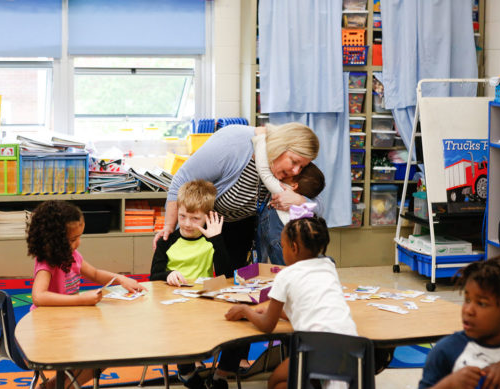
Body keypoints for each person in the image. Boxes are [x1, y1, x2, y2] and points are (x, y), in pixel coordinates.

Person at [153, 122, 320, 386]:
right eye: (295, 162)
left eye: (302, 166)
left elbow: (313, 193)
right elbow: (180, 181)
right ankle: (188, 358)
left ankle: (227, 368)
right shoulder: (234, 143)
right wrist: (170, 231)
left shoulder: (286, 166)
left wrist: (300, 200)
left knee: (234, 292)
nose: (296, 171)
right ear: (282, 146)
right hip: (204, 225)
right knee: (193, 290)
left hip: (242, 229)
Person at [225, 212, 357, 389]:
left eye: (283, 245)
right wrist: (279, 313)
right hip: (353, 348)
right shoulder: (328, 266)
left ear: (294, 247)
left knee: (275, 382)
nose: (282, 250)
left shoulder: (285, 275)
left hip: (316, 349)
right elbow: (311, 308)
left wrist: (245, 311)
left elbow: (267, 326)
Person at [27, 200, 146, 389]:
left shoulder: (72, 256)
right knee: (105, 351)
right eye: (72, 239)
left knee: (109, 349)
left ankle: (53, 386)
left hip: (66, 326)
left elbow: (96, 274)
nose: (78, 243)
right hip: (46, 332)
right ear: (55, 240)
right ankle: (67, 386)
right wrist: (80, 299)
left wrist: (121, 279)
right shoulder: (46, 263)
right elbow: (39, 297)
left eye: (79, 237)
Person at [149, 179, 229, 389]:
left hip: (204, 303)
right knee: (180, 326)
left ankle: (220, 375)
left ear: (208, 217)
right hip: (173, 305)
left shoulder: (212, 240)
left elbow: (226, 275)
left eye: (195, 219)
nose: (186, 223)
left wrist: (217, 240)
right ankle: (187, 371)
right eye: (183, 216)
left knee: (239, 325)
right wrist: (168, 274)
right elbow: (153, 276)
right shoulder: (168, 240)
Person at [418, 257, 500, 389]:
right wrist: (450, 383)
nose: (468, 310)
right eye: (467, 300)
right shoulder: (446, 351)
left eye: (482, 303)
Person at [252, 131, 325, 264]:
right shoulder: (305, 202)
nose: (291, 171)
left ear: (295, 185)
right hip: (299, 243)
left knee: (283, 271)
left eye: (288, 175)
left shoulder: (283, 190)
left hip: (280, 239)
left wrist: (260, 140)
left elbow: (264, 172)